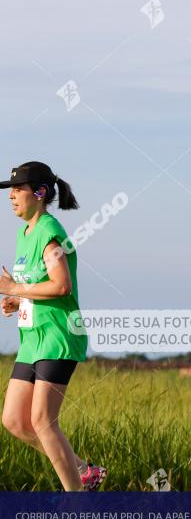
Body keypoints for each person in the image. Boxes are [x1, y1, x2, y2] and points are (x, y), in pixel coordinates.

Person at [0, 161, 106, 491]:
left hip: (58, 336)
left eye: (18, 189)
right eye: (10, 190)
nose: (12, 196)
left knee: (42, 420)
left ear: (40, 193)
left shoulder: (49, 232)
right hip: (33, 339)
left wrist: (16, 289)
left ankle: (77, 504)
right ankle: (82, 471)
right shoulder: (25, 234)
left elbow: (62, 286)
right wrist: (19, 301)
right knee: (15, 420)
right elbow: (39, 284)